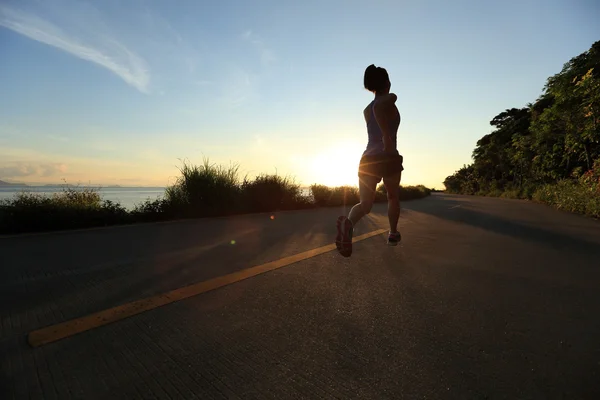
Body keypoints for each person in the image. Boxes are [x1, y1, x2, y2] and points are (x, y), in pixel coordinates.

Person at [335, 64, 404, 257]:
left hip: (368, 158)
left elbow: (375, 111)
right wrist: (387, 138)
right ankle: (392, 233)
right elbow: (380, 109)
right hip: (388, 156)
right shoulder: (390, 98)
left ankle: (348, 225)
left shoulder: (366, 109)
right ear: (386, 82)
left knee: (365, 204)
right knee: (392, 196)